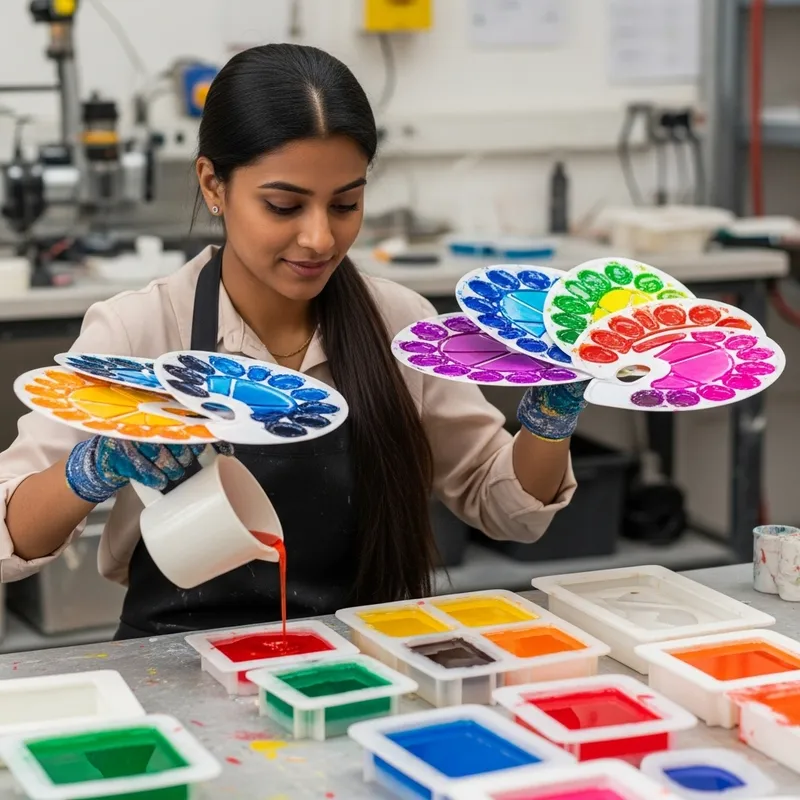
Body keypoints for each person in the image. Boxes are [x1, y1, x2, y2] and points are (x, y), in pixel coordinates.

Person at [0, 44, 585, 639]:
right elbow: (9, 538)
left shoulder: (398, 325)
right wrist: (91, 469)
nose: (319, 238)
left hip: (362, 659)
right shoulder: (142, 328)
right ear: (213, 185)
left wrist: (552, 415)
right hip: (177, 660)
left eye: (346, 204)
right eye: (283, 205)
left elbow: (508, 510)